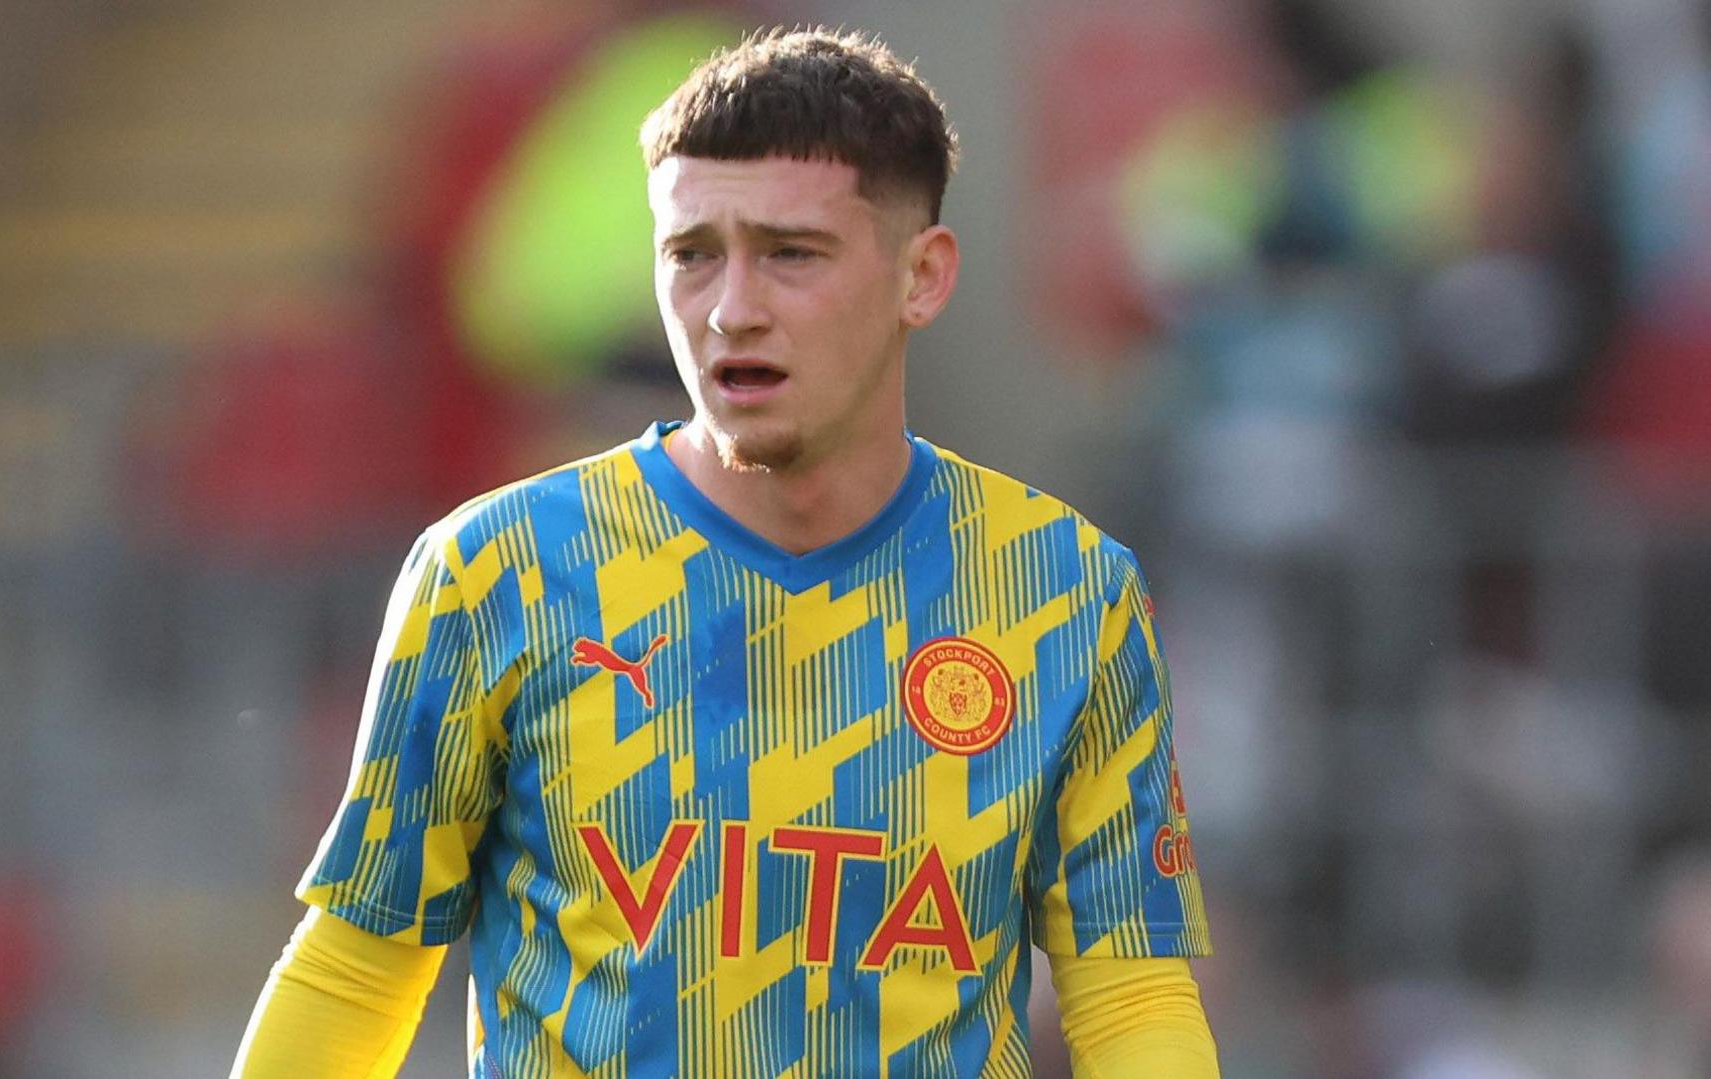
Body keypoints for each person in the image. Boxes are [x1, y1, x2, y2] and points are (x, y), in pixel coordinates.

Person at [233, 26, 1217, 1077]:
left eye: (791, 254)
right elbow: (357, 968)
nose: (732, 311)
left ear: (921, 278)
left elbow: (1129, 991)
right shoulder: (496, 569)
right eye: (692, 256)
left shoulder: (1064, 592)